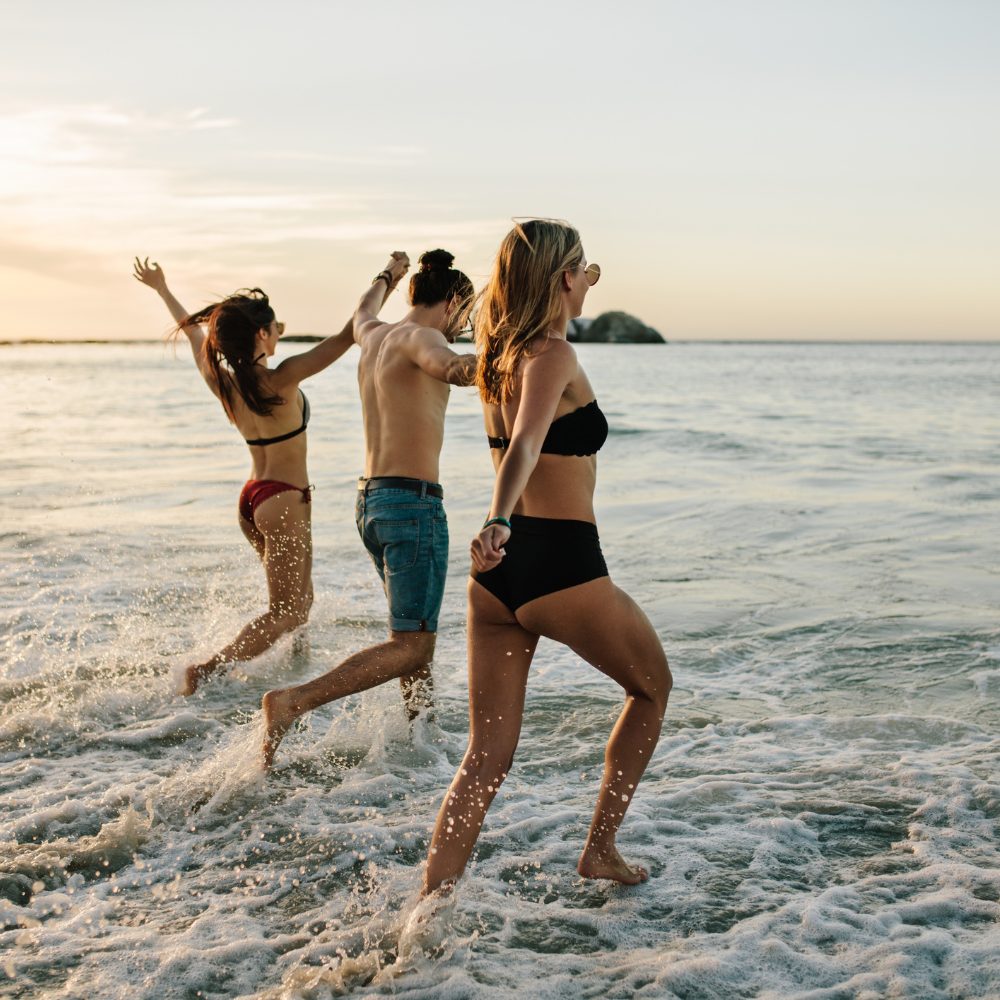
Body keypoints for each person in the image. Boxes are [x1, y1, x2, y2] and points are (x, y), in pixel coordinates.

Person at [422, 220, 672, 891]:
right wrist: (497, 516)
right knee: (652, 689)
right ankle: (601, 848)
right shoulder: (553, 356)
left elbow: (519, 438)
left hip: (498, 582)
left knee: (484, 757)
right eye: (582, 270)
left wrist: (585, 279)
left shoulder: (500, 358)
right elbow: (529, 445)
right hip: (563, 565)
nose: (590, 278)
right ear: (563, 278)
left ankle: (428, 904)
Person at [132, 255, 406, 695]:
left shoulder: (224, 382)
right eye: (276, 326)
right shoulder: (281, 379)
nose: (280, 331)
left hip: (254, 499)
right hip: (283, 500)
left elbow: (192, 332)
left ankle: (293, 671)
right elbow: (350, 332)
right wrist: (389, 278)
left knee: (300, 602)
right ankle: (206, 671)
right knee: (288, 612)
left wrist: (162, 288)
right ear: (261, 333)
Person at [261, 249, 476, 767]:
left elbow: (362, 305)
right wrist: (508, 354)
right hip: (412, 504)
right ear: (451, 302)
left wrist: (387, 274)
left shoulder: (373, 332)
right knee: (412, 645)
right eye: (465, 313)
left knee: (411, 631)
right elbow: (451, 368)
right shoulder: (425, 338)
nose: (465, 324)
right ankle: (293, 703)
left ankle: (421, 739)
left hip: (372, 502)